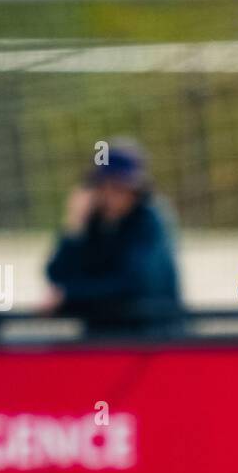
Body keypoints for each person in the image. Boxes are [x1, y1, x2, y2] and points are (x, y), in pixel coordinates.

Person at [44, 139, 182, 340]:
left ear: (135, 191)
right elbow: (57, 273)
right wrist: (74, 225)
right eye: (102, 187)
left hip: (150, 340)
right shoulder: (94, 224)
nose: (109, 196)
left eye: (117, 188)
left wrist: (69, 295)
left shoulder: (150, 222)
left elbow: (134, 284)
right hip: (103, 339)